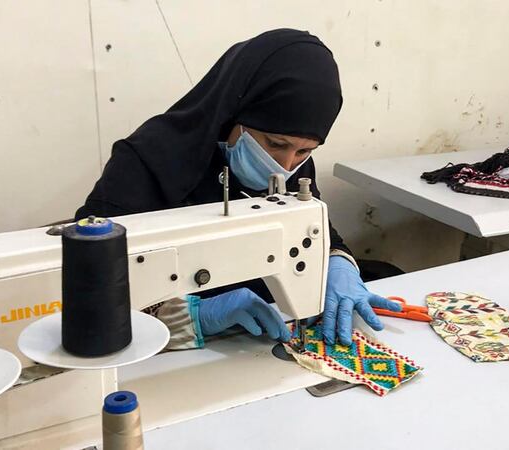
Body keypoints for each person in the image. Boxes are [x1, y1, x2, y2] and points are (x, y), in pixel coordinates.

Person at [76, 29, 400, 350]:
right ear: (235, 114)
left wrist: (338, 263)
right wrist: (192, 316)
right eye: (275, 144)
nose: (286, 166)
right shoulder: (144, 163)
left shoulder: (294, 165)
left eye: (305, 151)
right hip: (168, 349)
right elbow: (87, 291)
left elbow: (318, 236)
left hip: (257, 334)